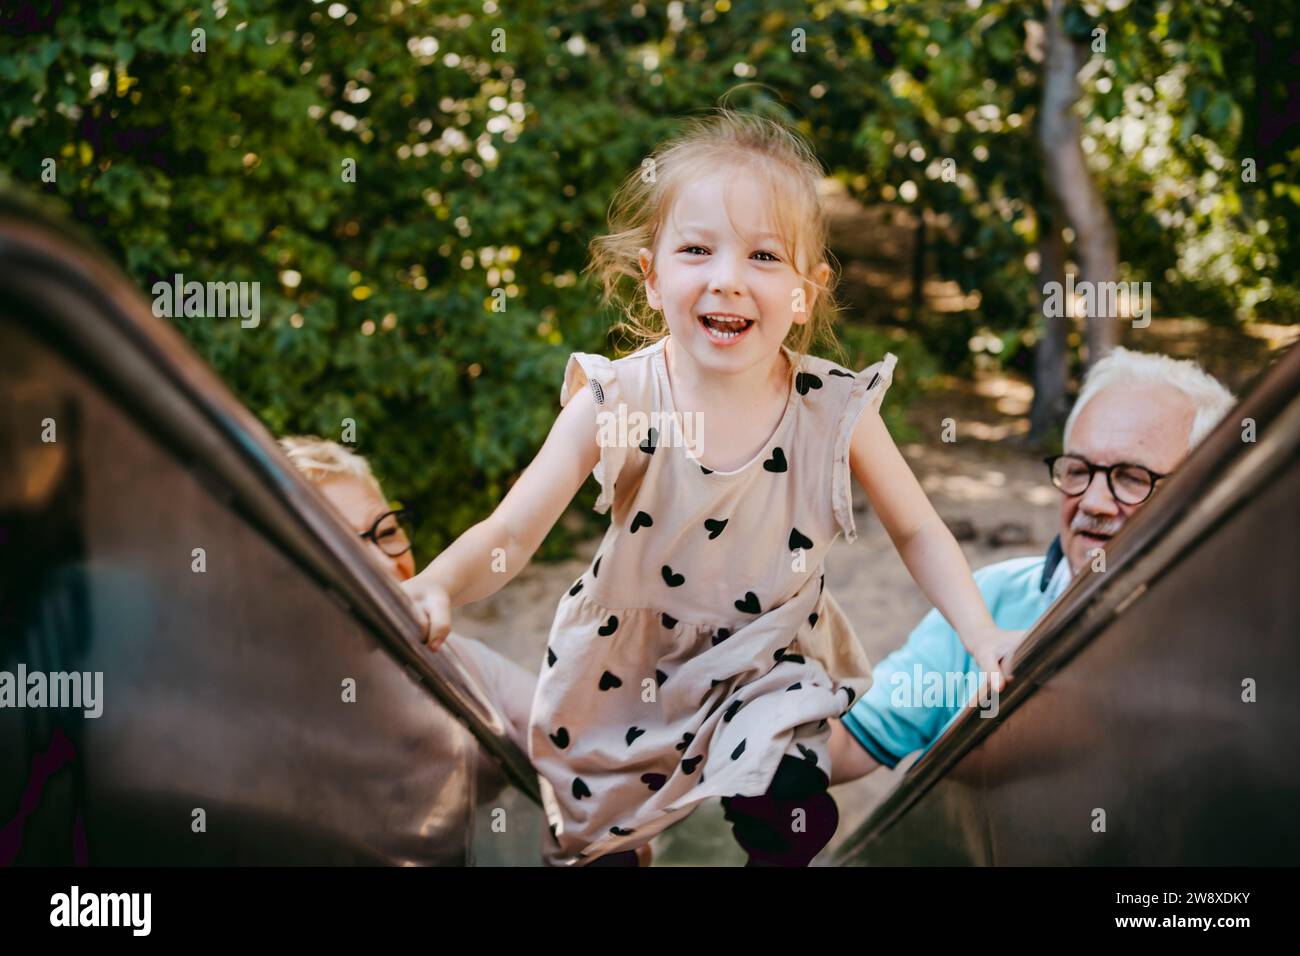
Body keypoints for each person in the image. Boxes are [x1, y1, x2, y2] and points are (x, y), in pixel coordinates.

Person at [402, 110, 1023, 867]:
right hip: (625, 671)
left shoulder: (833, 408)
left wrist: (980, 633)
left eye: (764, 255)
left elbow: (919, 531)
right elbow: (509, 534)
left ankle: (775, 822)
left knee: (785, 797)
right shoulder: (618, 402)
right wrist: (437, 584)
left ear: (805, 291)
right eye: (697, 249)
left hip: (767, 660)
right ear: (653, 275)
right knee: (594, 847)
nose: (727, 277)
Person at [828, 348, 1236, 784]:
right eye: (1078, 470)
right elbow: (851, 743)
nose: (1094, 502)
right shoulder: (986, 601)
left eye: (1133, 478)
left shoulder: (1240, 642)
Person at [277, 436, 536, 756]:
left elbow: (567, 734)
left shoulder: (458, 661)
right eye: (342, 547)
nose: (386, 563)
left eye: (386, 532)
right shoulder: (271, 709)